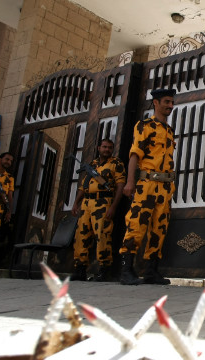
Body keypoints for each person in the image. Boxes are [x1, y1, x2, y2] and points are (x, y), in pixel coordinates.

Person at [120, 88, 177, 286]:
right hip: (147, 184)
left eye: (171, 102)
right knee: (136, 225)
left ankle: (151, 271)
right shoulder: (144, 126)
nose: (170, 105)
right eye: (167, 102)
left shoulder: (169, 130)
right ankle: (127, 270)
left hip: (165, 186)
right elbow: (135, 154)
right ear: (156, 103)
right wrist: (130, 181)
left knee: (159, 228)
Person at [70, 139, 126, 282]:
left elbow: (120, 185)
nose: (107, 150)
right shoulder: (92, 165)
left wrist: (113, 206)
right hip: (87, 203)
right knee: (81, 235)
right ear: (98, 147)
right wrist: (76, 203)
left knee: (103, 234)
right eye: (105, 147)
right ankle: (80, 269)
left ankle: (104, 269)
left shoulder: (116, 163)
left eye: (110, 148)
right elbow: (84, 186)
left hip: (103, 202)